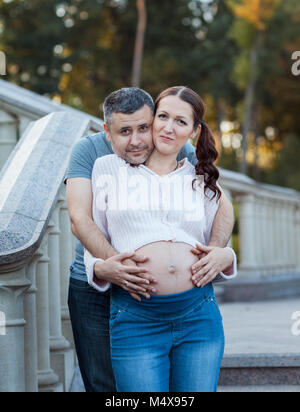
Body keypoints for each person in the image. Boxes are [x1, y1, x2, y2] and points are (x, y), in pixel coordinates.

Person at [66, 87, 235, 392]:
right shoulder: (95, 158)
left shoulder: (181, 153)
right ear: (107, 132)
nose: (137, 140)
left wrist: (221, 251)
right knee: (102, 382)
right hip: (107, 289)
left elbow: (221, 204)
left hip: (194, 307)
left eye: (144, 127)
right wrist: (107, 264)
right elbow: (83, 219)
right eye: (125, 131)